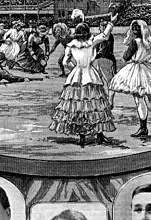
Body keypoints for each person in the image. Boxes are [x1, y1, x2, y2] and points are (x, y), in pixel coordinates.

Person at [49, 15, 118, 148]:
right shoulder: (91, 42)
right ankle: (99, 135)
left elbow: (65, 62)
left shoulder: (71, 46)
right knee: (96, 105)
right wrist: (111, 23)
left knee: (79, 107)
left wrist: (74, 70)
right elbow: (104, 36)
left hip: (77, 76)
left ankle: (82, 137)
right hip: (90, 75)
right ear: (87, 33)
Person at [109, 20, 151, 139]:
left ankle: (143, 128)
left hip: (136, 70)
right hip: (147, 70)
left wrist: (131, 55)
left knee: (139, 100)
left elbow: (125, 57)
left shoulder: (135, 42)